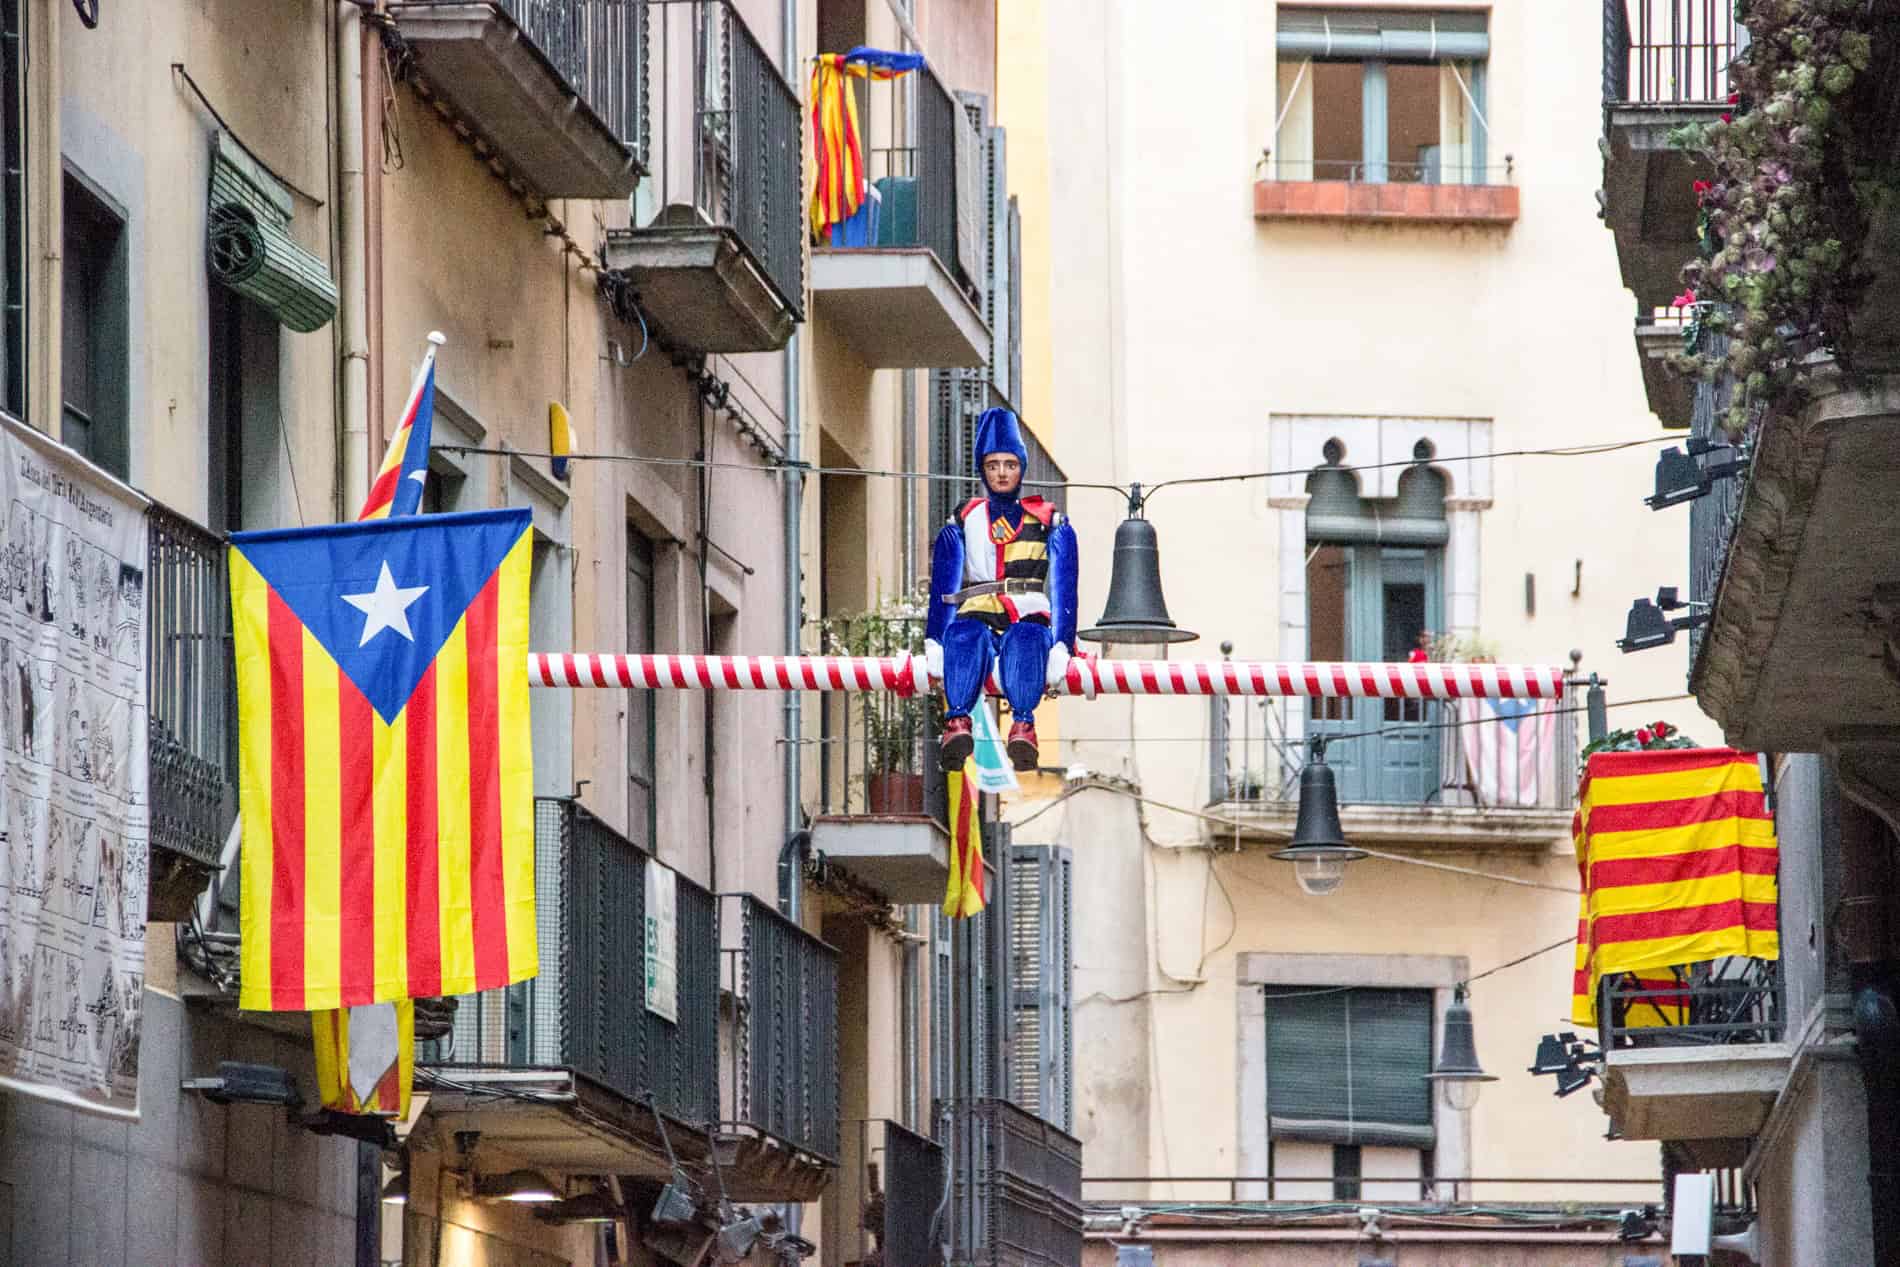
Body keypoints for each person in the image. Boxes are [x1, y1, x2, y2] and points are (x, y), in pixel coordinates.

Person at [925, 408, 1078, 772]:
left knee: (1026, 641)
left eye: (1010, 464)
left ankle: (1023, 725)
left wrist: (1062, 643)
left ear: (1021, 467)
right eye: (993, 465)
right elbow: (944, 581)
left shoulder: (1047, 519)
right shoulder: (964, 517)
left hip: (1027, 611)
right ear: (983, 469)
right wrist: (935, 638)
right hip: (976, 608)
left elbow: (1064, 583)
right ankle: (957, 722)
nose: (1002, 472)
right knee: (962, 636)